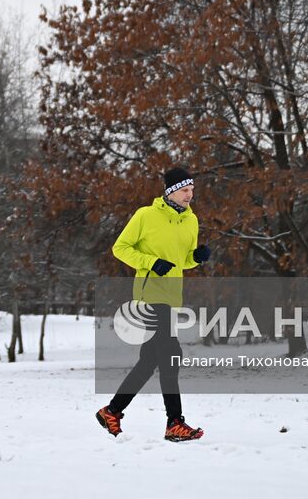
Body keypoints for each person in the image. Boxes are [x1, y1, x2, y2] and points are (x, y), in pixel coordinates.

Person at [95, 166, 211, 442]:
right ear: (171, 191)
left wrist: (197, 257)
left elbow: (182, 261)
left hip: (172, 296)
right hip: (149, 295)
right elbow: (120, 248)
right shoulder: (145, 216)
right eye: (185, 190)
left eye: (192, 190)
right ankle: (175, 423)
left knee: (150, 361)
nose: (190, 195)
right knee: (171, 355)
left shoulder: (191, 221)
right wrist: (151, 263)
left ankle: (111, 411)